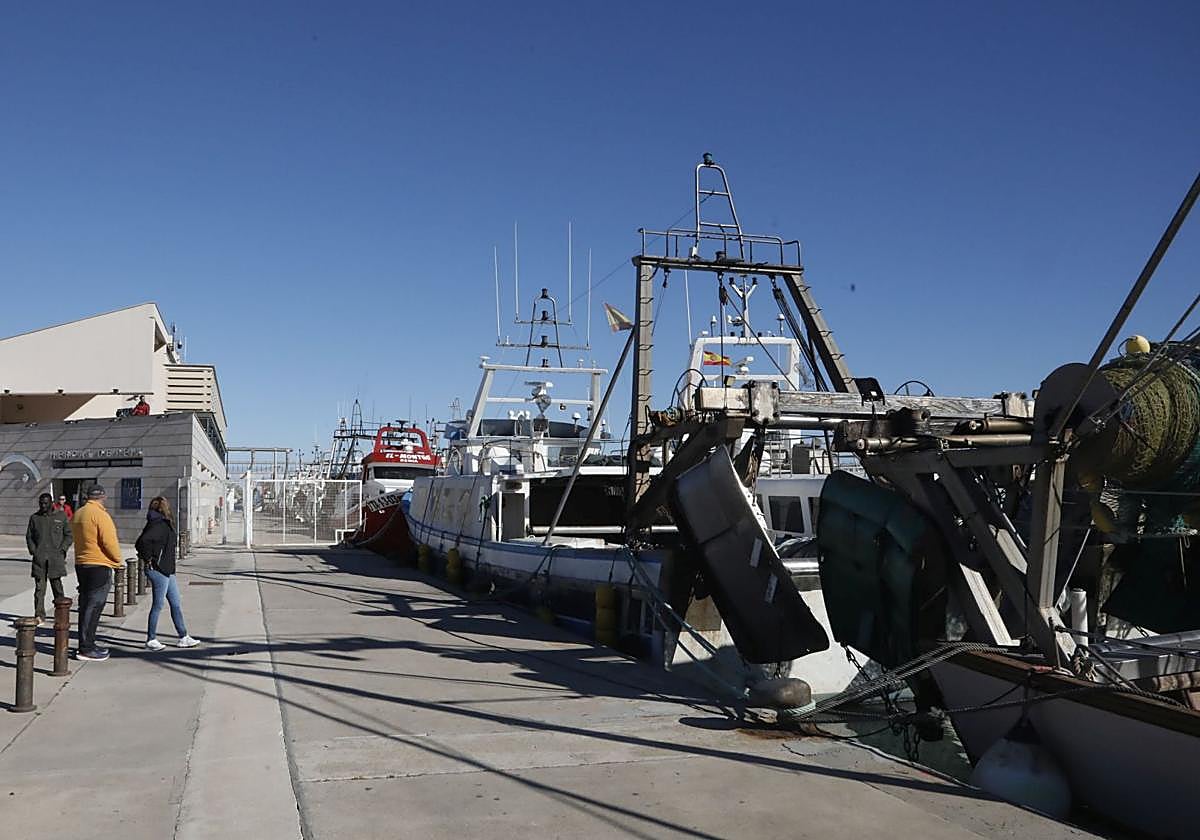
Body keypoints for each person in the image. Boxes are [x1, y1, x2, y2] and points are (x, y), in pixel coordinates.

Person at [136, 496, 198, 650]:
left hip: (167, 570)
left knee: (175, 603)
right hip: (159, 570)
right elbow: (142, 542)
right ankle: (151, 639)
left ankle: (183, 636)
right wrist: (150, 559)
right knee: (158, 605)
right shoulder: (159, 524)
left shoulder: (159, 523)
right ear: (164, 508)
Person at [71, 485, 124, 661]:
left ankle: (86, 644)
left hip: (82, 563)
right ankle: (87, 647)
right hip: (99, 564)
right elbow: (109, 542)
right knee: (94, 607)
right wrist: (117, 560)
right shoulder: (101, 515)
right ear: (103, 496)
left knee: (85, 606)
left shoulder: (79, 513)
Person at [26, 492, 72, 623]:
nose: (43, 505)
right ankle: (39, 614)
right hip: (39, 560)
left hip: (55, 559)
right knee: (40, 589)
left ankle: (61, 613)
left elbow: (68, 535)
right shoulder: (35, 518)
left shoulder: (61, 516)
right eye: (41, 503)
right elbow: (29, 536)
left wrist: (63, 549)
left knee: (57, 587)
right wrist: (33, 550)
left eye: (45, 503)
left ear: (51, 503)